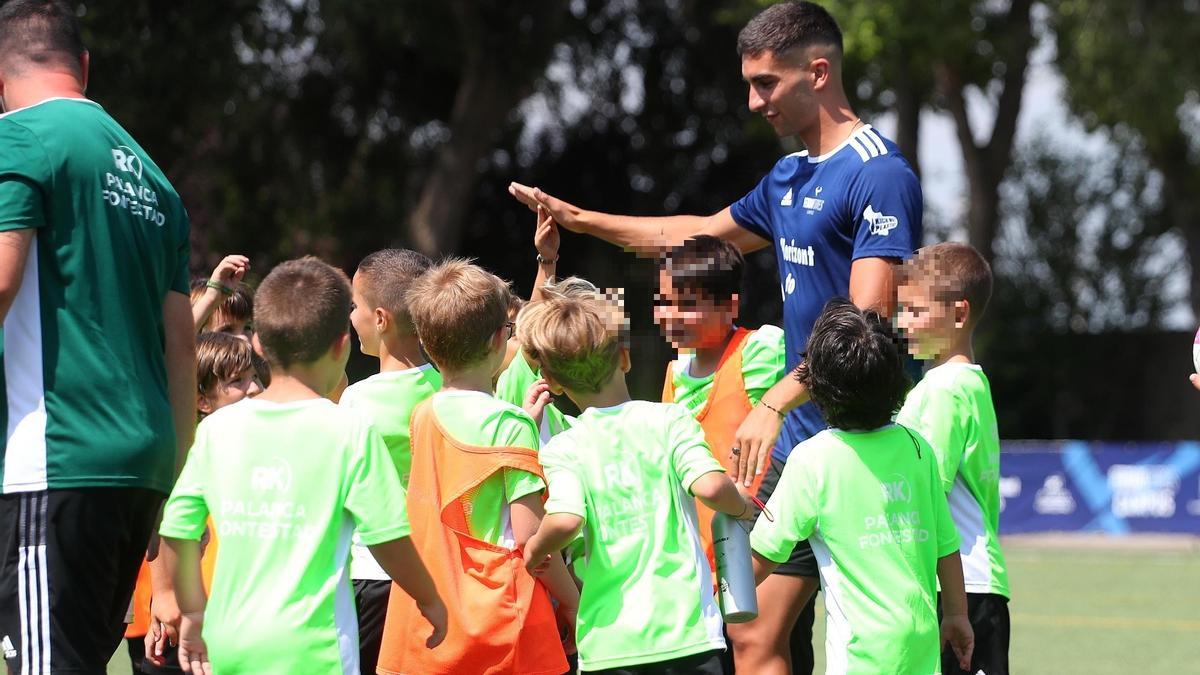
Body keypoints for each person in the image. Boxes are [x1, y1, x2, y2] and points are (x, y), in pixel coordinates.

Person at [509, 3, 921, 670]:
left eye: (766, 83)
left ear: (818, 72)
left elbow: (865, 324)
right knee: (754, 630)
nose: (754, 101)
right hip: (795, 436)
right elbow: (692, 231)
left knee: (841, 636)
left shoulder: (879, 172)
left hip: (859, 439)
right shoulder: (788, 176)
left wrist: (774, 401)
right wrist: (581, 220)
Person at [0, 2, 196, 672]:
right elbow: (182, 347)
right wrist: (173, 480)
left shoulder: (19, 137)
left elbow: (2, 280)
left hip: (54, 459)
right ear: (83, 66)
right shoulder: (156, 180)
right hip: (141, 466)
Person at [154, 257, 447, 673]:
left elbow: (178, 529)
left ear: (257, 345)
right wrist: (429, 598)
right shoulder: (349, 429)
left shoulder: (217, 430)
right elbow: (387, 536)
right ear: (341, 345)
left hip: (229, 644)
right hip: (317, 651)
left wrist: (192, 609)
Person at [519, 294, 754, 673]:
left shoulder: (564, 447)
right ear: (624, 359)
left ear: (555, 385)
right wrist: (742, 506)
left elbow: (565, 520)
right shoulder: (671, 420)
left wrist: (534, 550)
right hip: (689, 638)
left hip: (609, 646)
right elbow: (710, 487)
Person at [749, 298, 974, 674]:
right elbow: (945, 547)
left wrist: (710, 592)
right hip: (922, 644)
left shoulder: (812, 459)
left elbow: (762, 557)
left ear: (815, 388)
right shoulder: (917, 448)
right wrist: (955, 615)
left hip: (862, 657)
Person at [376, 259, 577, 675]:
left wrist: (520, 425)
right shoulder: (509, 425)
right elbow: (529, 537)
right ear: (497, 340)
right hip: (500, 621)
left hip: (433, 620)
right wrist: (576, 602)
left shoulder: (423, 414)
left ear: (430, 346)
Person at [894, 243, 1011, 674]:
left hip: (962, 586)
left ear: (959, 314)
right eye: (901, 310)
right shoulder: (963, 383)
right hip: (962, 584)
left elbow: (927, 491)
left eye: (914, 311)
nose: (902, 323)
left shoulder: (944, 389)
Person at [133, 332, 263, 672]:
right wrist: (164, 596)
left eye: (254, 377)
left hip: (251, 618)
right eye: (237, 382)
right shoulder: (189, 454)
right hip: (195, 616)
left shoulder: (272, 446)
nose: (254, 389)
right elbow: (163, 524)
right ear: (202, 401)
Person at [341, 248, 439, 675]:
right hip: (438, 570)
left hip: (372, 573)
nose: (350, 316)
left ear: (380, 319)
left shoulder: (356, 399)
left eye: (353, 305)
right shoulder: (450, 388)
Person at [190, 254, 252, 336]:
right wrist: (210, 299)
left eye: (247, 328)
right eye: (227, 330)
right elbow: (182, 337)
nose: (244, 338)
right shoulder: (186, 342)